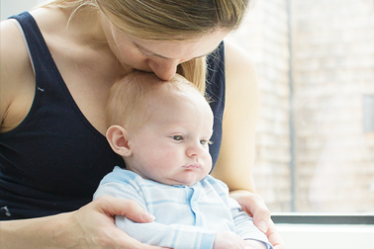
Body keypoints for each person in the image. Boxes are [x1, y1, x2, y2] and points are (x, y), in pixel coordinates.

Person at [0, 0, 285, 248]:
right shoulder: (10, 54)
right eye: (147, 49)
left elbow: (232, 188)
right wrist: (67, 236)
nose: (168, 72)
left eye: (194, 55)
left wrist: (245, 212)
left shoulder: (233, 68)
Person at [94, 71, 273, 249]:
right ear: (123, 141)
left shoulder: (212, 188)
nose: (197, 151)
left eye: (204, 141)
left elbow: (241, 220)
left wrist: (253, 242)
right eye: (178, 137)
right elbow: (131, 231)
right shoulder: (122, 188)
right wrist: (207, 241)